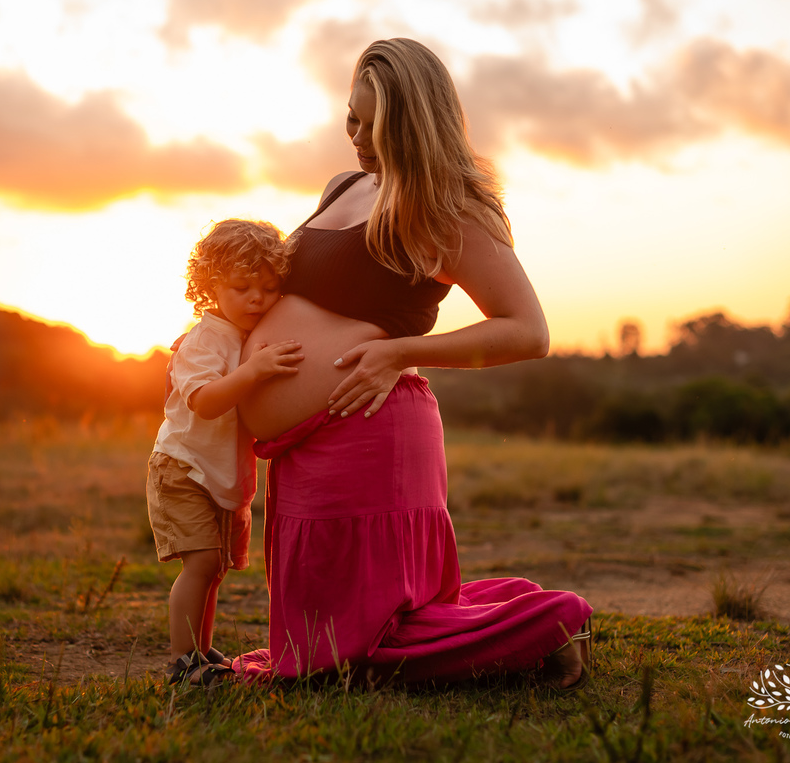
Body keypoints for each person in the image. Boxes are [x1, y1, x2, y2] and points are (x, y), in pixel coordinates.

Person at [233, 38, 593, 688]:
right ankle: (510, 619)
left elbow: (528, 330)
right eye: (353, 118)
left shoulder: (445, 205)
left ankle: (549, 625)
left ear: (418, 117)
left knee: (353, 654)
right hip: (302, 453)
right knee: (321, 644)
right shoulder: (343, 184)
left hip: (369, 432)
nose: (360, 137)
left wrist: (402, 351)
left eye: (378, 123)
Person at [147, 219, 303, 686]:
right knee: (199, 565)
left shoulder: (242, 336)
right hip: (184, 468)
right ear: (210, 285)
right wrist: (254, 371)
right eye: (241, 287)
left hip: (222, 474)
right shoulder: (204, 340)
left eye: (269, 288)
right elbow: (206, 400)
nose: (256, 297)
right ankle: (182, 661)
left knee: (214, 568)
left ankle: (199, 648)